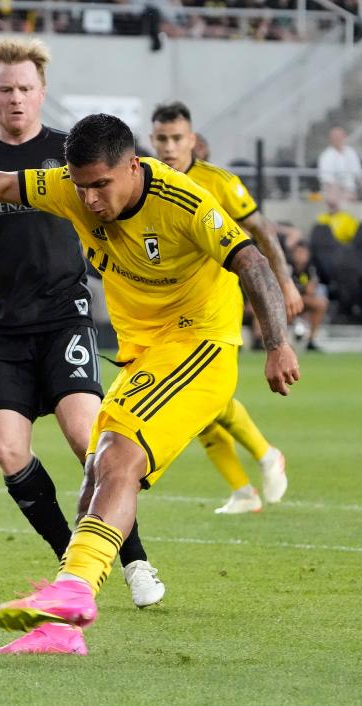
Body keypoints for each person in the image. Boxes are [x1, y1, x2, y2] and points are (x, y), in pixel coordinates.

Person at [0, 113, 298, 654]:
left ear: (133, 165)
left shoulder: (184, 203)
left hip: (199, 345)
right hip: (146, 354)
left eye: (102, 185)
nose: (92, 200)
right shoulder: (73, 190)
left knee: (118, 455)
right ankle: (63, 622)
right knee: (98, 464)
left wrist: (276, 344)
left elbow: (252, 262)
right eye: (82, 187)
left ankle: (74, 592)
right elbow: (2, 183)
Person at [0, 38, 164, 650]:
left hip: (65, 319)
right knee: (7, 450)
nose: (15, 97)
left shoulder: (71, 155)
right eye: (5, 88)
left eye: (25, 87)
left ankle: (135, 560)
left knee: (88, 441)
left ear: (42, 91)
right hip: (1, 328)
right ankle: (71, 560)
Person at [149, 101, 294, 514]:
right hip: (168, 309)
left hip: (216, 306)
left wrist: (284, 282)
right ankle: (245, 490)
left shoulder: (219, 182)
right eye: (162, 138)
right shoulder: (145, 178)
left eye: (177, 138)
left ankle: (265, 456)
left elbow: (260, 229)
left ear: (192, 140)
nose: (169, 146)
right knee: (194, 401)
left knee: (202, 396)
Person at [317, 126, 362, 206]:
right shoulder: (326, 155)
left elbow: (359, 175)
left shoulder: (351, 152)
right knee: (337, 196)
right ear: (330, 139)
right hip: (335, 190)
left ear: (344, 137)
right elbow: (327, 180)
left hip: (353, 190)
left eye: (339, 136)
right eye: (335, 137)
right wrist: (341, 192)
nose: (337, 139)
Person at [289, 241, 329, 350]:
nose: (301, 256)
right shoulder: (287, 267)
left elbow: (311, 289)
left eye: (303, 253)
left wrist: (298, 290)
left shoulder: (311, 267)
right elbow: (283, 288)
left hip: (303, 299)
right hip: (287, 301)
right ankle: (284, 342)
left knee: (321, 304)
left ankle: (311, 340)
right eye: (298, 253)